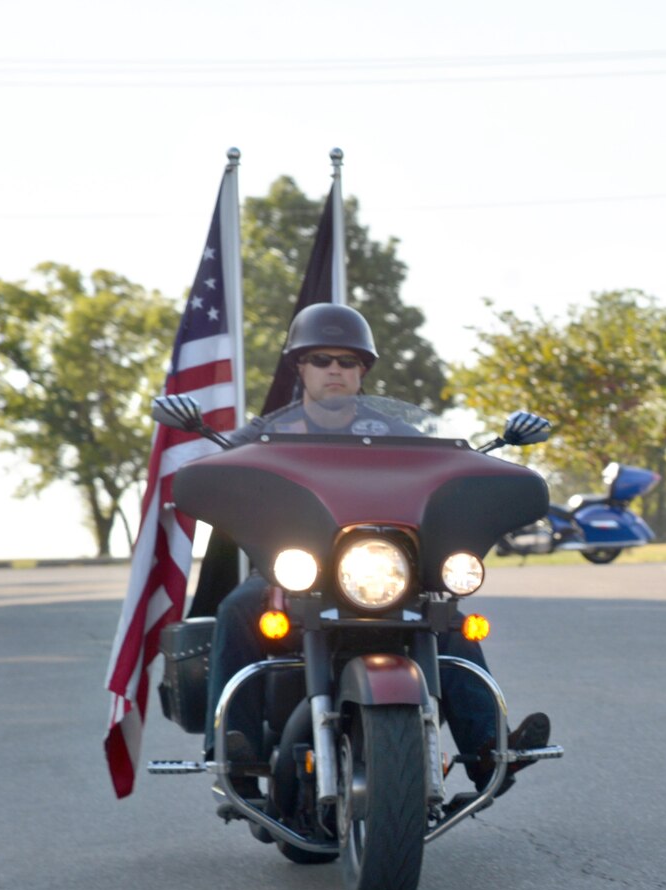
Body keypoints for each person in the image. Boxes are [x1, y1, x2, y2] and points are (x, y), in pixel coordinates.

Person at [203, 302, 543, 800]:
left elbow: (447, 473)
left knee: (448, 619)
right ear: (300, 367)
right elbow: (219, 474)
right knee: (237, 609)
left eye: (347, 360)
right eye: (320, 359)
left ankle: (490, 748)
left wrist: (489, 456)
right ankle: (235, 751)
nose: (334, 370)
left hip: (383, 572)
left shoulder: (400, 436)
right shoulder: (263, 435)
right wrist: (214, 474)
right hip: (295, 574)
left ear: (363, 370)